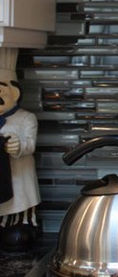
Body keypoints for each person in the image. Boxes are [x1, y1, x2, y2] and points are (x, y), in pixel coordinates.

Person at [0, 48, 40, 251]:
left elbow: (30, 144)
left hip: (18, 177)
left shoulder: (26, 118)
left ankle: (21, 223)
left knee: (17, 230)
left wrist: (18, 146)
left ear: (14, 92)